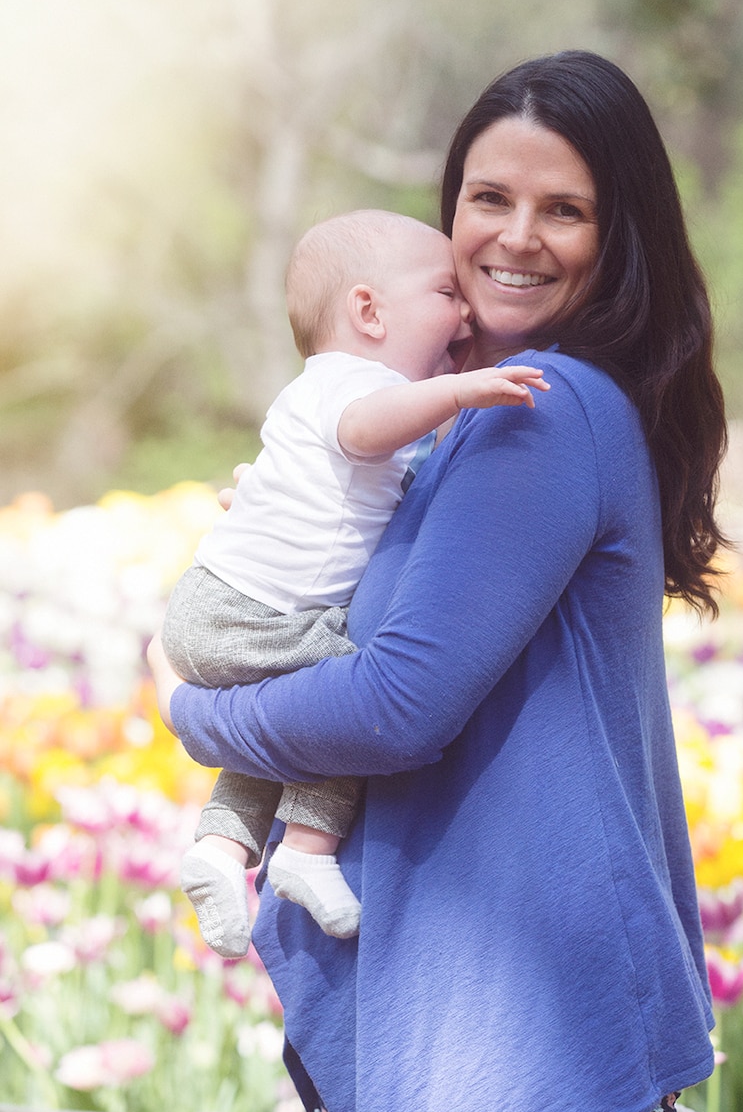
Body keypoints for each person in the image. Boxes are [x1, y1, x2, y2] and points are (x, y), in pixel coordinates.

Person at [149, 50, 729, 1112]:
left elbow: (395, 704)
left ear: (621, 238)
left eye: (566, 210)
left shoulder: (537, 406)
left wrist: (189, 709)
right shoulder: (465, 418)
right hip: (495, 995)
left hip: (516, 1022)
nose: (516, 237)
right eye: (489, 197)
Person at [160, 208, 549, 956]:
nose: (465, 312)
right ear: (368, 311)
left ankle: (220, 850)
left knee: (278, 729)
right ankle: (306, 848)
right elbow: (371, 428)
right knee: (345, 688)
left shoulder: (329, 387)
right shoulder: (350, 383)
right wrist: (462, 389)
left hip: (220, 607)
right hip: (246, 612)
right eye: (446, 293)